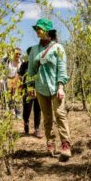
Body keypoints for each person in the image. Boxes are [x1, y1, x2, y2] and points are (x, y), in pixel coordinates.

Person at [27, 18, 72, 158]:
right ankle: (50, 143)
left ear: (47, 31)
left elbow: (61, 69)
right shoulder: (34, 50)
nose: (37, 31)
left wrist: (61, 87)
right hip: (41, 88)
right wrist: (30, 87)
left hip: (55, 87)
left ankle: (65, 145)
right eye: (36, 29)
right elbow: (31, 71)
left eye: (40, 29)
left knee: (60, 114)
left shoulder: (58, 48)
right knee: (47, 118)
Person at [18, 47, 42, 138]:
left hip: (39, 90)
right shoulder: (24, 65)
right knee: (27, 110)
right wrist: (20, 88)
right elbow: (20, 77)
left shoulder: (39, 65)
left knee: (37, 109)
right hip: (27, 91)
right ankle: (26, 123)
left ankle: (36, 129)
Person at [3, 47, 22, 119]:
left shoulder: (21, 62)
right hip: (8, 79)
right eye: (17, 53)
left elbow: (21, 73)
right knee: (10, 97)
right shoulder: (8, 61)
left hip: (17, 79)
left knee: (18, 97)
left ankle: (18, 114)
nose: (18, 55)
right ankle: (11, 112)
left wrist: (17, 81)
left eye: (19, 54)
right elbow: (2, 60)